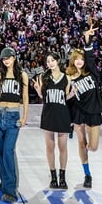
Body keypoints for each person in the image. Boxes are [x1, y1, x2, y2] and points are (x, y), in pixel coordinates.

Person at [66, 24, 102, 188]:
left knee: (93, 147)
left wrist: (87, 40)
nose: (79, 61)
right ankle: (87, 175)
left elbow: (90, 56)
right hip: (78, 112)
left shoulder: (93, 72)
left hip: (93, 111)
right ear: (73, 60)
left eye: (81, 59)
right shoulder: (69, 76)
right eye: (76, 59)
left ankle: (87, 150)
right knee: (81, 143)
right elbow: (66, 98)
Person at [0, 46, 29, 203]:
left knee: (8, 151)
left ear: (14, 58)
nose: (6, 60)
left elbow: (25, 97)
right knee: (0, 151)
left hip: (13, 116)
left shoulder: (22, 75)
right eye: (3, 58)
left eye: (8, 57)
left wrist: (24, 117)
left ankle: (11, 190)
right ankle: (4, 182)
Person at [35, 51, 74, 189]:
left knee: (63, 147)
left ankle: (62, 177)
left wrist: (71, 94)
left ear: (58, 61)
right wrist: (38, 90)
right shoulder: (43, 77)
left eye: (52, 60)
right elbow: (43, 97)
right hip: (49, 114)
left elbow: (65, 97)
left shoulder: (66, 78)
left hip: (63, 115)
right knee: (50, 147)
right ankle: (53, 177)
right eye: (48, 61)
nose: (50, 63)